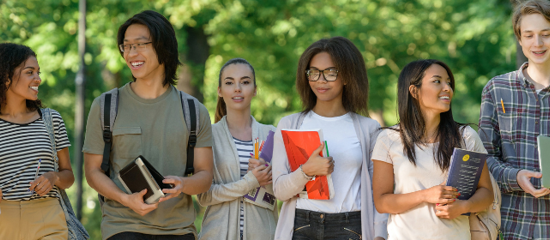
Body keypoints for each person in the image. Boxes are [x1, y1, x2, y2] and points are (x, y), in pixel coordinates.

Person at [83, 10, 213, 240]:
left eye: (140, 44)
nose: (132, 53)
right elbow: (92, 171)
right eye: (127, 46)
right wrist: (124, 198)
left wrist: (183, 184)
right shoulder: (105, 106)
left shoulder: (194, 111)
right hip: (122, 227)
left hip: (179, 231)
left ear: (163, 47)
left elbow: (205, 176)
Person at [271, 36, 388, 240]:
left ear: (347, 77)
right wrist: (306, 171)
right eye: (314, 72)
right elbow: (280, 191)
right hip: (301, 227)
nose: (320, 80)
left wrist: (379, 235)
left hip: (350, 228)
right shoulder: (290, 125)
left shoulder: (369, 129)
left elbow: (377, 193)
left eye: (330, 73)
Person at [371, 59, 494, 239]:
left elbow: (487, 193)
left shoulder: (466, 136)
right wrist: (425, 195)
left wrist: (463, 206)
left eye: (449, 83)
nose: (447, 89)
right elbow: (382, 202)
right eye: (437, 81)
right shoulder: (388, 139)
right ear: (414, 91)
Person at [478, 0, 550, 239]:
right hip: (516, 228)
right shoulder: (497, 89)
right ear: (520, 39)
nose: (537, 43)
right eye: (529, 35)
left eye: (546, 34)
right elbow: (484, 159)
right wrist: (515, 177)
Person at [0, 43, 74, 239]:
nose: (38, 79)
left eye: (38, 72)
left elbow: (69, 176)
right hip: (3, 220)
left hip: (48, 216)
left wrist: (54, 177)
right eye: (29, 72)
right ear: (6, 77)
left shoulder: (51, 119)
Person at [197, 58, 277, 240]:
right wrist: (250, 182)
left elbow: (285, 191)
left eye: (245, 82)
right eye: (229, 82)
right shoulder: (208, 135)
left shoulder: (272, 134)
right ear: (219, 91)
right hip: (217, 235)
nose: (237, 88)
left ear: (255, 90)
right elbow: (204, 196)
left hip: (264, 234)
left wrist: (269, 175)